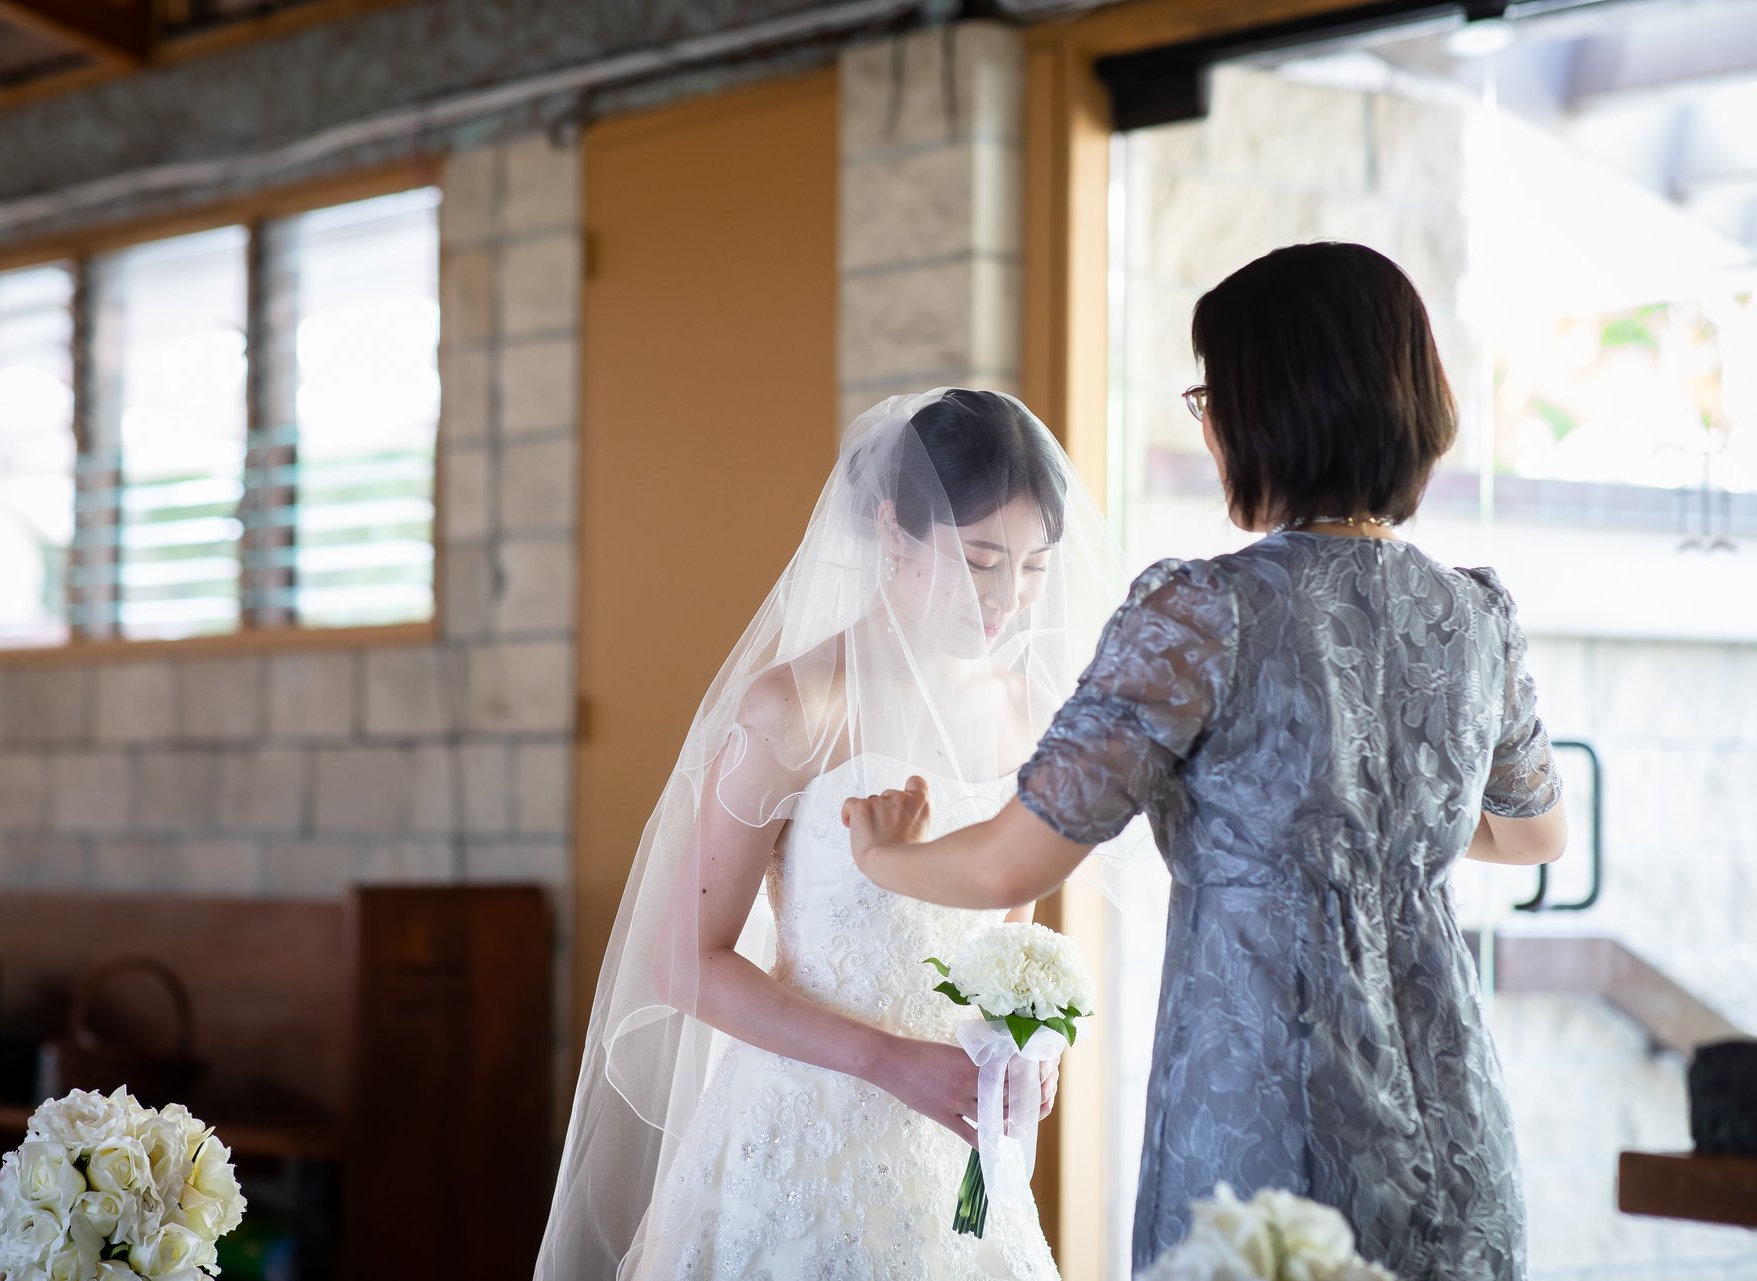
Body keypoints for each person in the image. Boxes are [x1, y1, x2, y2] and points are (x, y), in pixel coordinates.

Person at [846, 244, 1568, 1281]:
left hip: (1268, 1098)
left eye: (1211, 395)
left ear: (1269, 406)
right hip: (1453, 1114)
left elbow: (1015, 861)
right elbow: (1536, 832)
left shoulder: (1200, 611)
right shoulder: (1477, 613)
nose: (1210, 424)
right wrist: (1385, 828)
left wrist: (884, 856)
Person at [536, 388, 1122, 1280]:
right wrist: (888, 1062)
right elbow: (686, 962)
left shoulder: (1030, 716)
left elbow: (1007, 937)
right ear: (893, 532)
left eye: (1035, 566)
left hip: (949, 1149)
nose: (1007, 598)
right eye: (981, 560)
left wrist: (1029, 1039)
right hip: (800, 1136)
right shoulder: (795, 706)